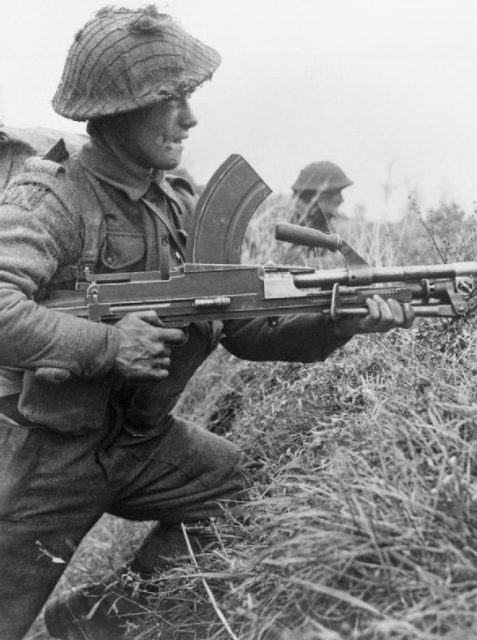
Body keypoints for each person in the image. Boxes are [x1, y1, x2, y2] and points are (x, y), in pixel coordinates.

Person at [0, 6, 414, 640]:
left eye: (188, 99)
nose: (189, 118)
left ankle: (93, 622)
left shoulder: (180, 202)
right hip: (43, 455)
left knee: (237, 494)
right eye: (171, 100)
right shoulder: (51, 197)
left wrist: (338, 319)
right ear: (117, 107)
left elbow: (241, 330)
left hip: (140, 443)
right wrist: (110, 345)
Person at [288, 161, 353, 234]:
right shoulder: (289, 231)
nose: (341, 200)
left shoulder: (326, 230)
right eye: (336, 192)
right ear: (315, 196)